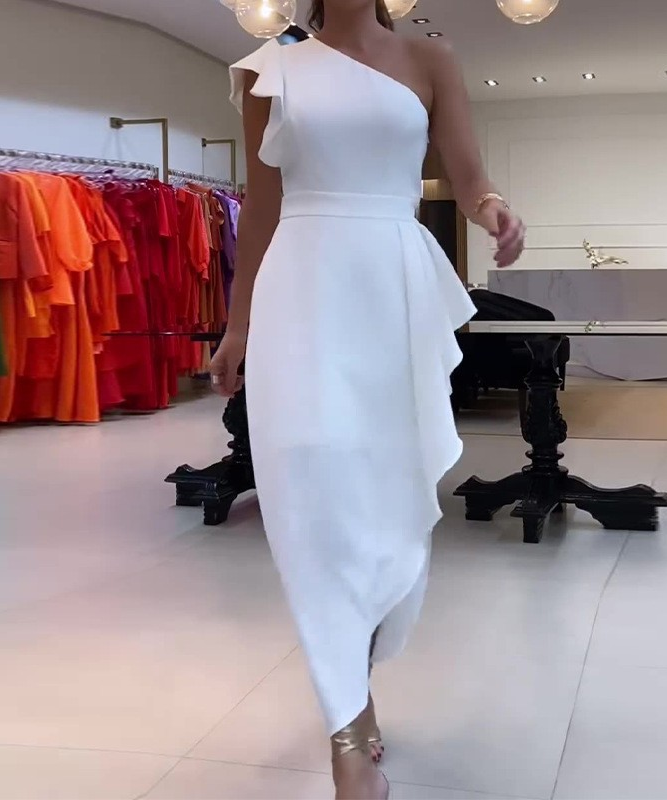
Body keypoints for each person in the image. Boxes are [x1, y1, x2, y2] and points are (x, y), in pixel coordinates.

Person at [210, 1, 526, 797]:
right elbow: (262, 208)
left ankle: (358, 676)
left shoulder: (430, 61)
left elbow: (470, 179)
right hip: (301, 289)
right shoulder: (271, 70)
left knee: (386, 498)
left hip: (391, 289)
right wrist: (238, 325)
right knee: (312, 497)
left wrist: (493, 210)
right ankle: (346, 733)